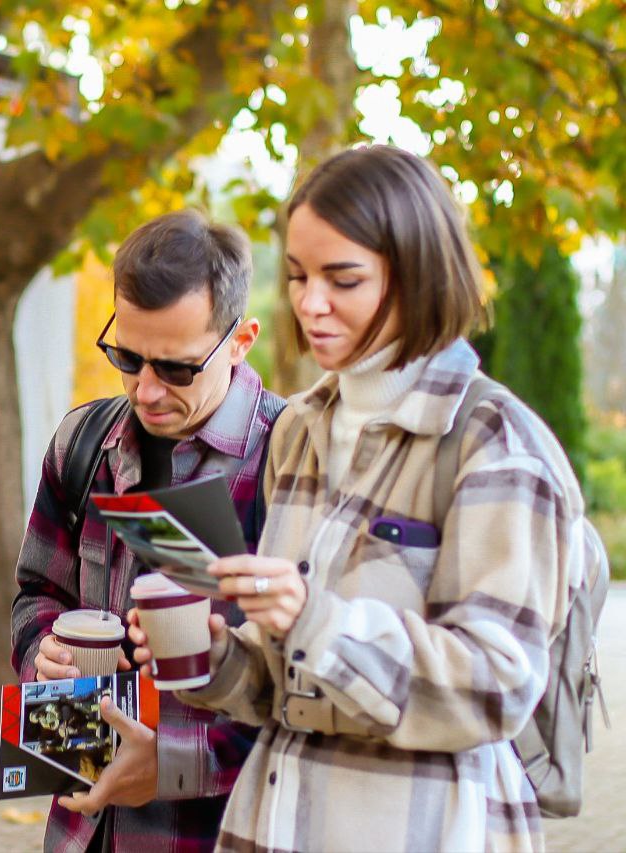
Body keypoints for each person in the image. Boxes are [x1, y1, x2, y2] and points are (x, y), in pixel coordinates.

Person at [130, 144, 588, 851]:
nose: (311, 303)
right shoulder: (303, 430)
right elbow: (289, 688)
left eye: (342, 279)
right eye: (298, 276)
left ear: (416, 275)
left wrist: (316, 620)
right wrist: (210, 650)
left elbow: (497, 685)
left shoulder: (493, 443)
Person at [11, 209, 284, 853]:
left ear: (241, 340)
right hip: (81, 829)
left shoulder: (295, 462)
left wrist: (170, 765)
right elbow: (35, 592)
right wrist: (39, 650)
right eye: (126, 357)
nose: (146, 388)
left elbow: (311, 695)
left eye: (177, 368)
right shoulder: (81, 442)